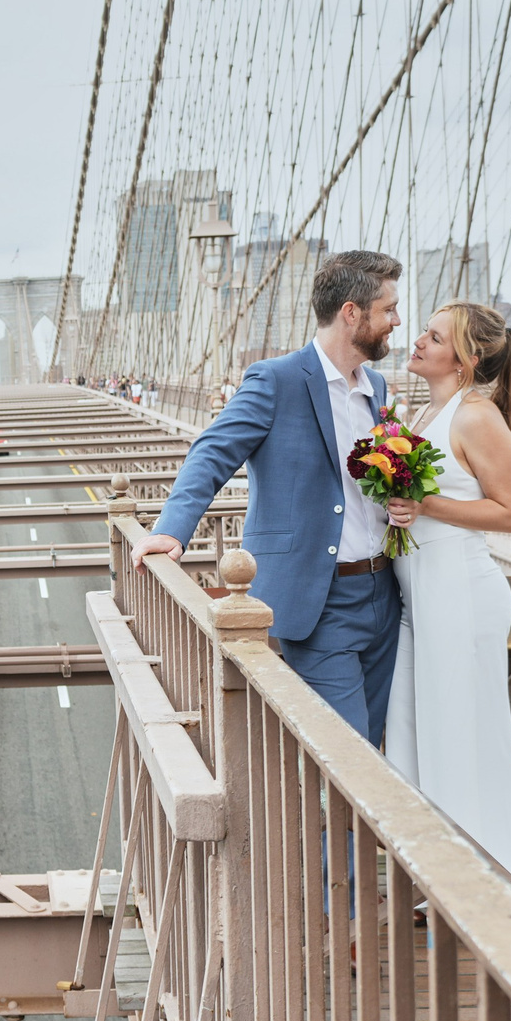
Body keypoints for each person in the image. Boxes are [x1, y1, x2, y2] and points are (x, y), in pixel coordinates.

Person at [135, 250, 405, 742]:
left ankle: (334, 825)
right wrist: (171, 530)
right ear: (351, 313)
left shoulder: (377, 387)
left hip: (384, 595)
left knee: (375, 746)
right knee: (351, 755)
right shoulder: (276, 380)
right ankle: (336, 825)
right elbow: (212, 452)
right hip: (319, 600)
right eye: (388, 309)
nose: (397, 320)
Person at [384, 302, 511, 879]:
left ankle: (489, 877)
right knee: (419, 737)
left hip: (462, 596)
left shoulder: (475, 416)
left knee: (466, 739)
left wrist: (424, 505)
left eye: (434, 336)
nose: (417, 340)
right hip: (421, 597)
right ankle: (438, 876)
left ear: (466, 359)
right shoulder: (426, 413)